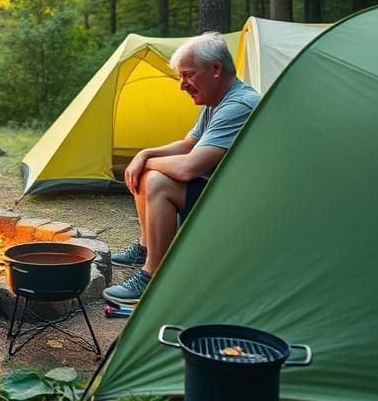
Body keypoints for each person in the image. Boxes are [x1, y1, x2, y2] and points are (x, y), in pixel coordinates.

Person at [103, 32, 260, 305]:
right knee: (148, 173)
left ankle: (153, 277)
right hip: (225, 192)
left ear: (215, 69)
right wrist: (144, 153)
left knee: (156, 181)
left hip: (244, 204)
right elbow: (188, 144)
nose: (182, 86)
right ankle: (145, 248)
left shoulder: (238, 104)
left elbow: (189, 167)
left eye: (187, 75)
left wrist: (145, 163)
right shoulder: (218, 101)